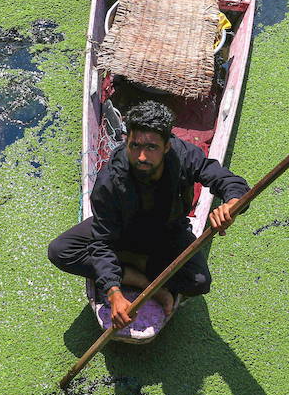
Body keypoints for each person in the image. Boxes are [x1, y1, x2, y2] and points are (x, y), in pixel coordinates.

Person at [47, 101, 248, 329]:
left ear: (167, 146)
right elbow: (102, 243)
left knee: (199, 282)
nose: (141, 156)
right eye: (134, 146)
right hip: (121, 234)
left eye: (151, 147)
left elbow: (226, 180)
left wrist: (231, 203)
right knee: (60, 251)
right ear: (127, 141)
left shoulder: (185, 155)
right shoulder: (109, 180)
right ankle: (143, 279)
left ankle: (132, 261)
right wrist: (114, 293)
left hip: (168, 233)